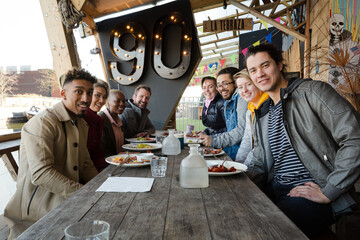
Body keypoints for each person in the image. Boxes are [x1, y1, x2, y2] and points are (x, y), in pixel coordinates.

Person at [245, 43, 360, 238]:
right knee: (235, 214)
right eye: (253, 70)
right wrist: (237, 180)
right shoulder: (262, 113)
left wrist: (329, 190)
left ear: (280, 65)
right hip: (277, 189)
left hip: (314, 192)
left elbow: (354, 137)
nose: (260, 74)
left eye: (265, 65)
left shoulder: (312, 92)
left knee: (266, 231)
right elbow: (259, 161)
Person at [4, 68, 99, 239]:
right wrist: (85, 194)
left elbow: (85, 165)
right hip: (36, 215)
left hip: (68, 202)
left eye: (90, 93)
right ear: (63, 93)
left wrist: (101, 188)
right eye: (79, 91)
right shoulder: (42, 122)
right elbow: (42, 174)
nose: (86, 99)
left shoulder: (81, 124)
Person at [198, 67, 248, 160]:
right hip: (230, 153)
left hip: (241, 156)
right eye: (219, 85)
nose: (222, 88)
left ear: (236, 83)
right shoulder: (228, 101)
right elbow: (229, 130)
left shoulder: (241, 99)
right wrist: (208, 135)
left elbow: (241, 131)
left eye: (225, 84)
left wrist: (213, 140)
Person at [233, 69, 268, 165]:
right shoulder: (250, 111)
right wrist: (238, 164)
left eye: (248, 84)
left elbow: (261, 147)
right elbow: (247, 141)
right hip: (256, 165)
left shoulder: (269, 107)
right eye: (240, 87)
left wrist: (244, 169)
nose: (244, 90)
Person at [84, 80, 109, 171]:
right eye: (97, 95)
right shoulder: (80, 118)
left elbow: (97, 152)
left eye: (104, 97)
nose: (102, 100)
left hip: (96, 169)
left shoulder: (99, 120)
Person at [99, 89, 126, 158]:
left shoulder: (119, 121)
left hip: (119, 160)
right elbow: (103, 150)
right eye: (118, 101)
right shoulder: (101, 119)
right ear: (107, 103)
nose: (122, 104)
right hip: (107, 163)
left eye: (124, 101)